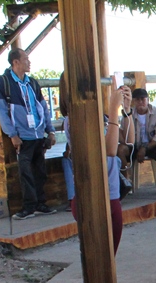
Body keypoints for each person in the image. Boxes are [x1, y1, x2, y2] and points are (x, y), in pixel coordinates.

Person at [62, 75, 132, 255]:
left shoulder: (101, 117)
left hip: (111, 194)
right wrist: (114, 110)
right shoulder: (74, 121)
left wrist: (127, 110)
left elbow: (129, 142)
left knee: (109, 258)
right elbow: (109, 150)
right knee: (100, 259)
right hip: (91, 197)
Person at [0, 48, 57, 220]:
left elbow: (43, 107)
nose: (29, 62)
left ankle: (40, 204)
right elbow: (1, 111)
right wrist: (12, 134)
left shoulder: (32, 83)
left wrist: (49, 130)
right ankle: (28, 207)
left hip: (37, 134)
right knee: (25, 172)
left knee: (40, 172)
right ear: (16, 62)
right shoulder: (3, 83)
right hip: (22, 136)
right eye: (26, 59)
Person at [118, 88, 156, 194]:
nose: (140, 102)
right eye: (137, 99)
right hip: (133, 146)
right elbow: (124, 134)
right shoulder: (128, 113)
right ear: (133, 101)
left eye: (143, 99)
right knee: (120, 149)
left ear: (148, 100)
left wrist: (145, 147)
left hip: (151, 145)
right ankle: (126, 183)